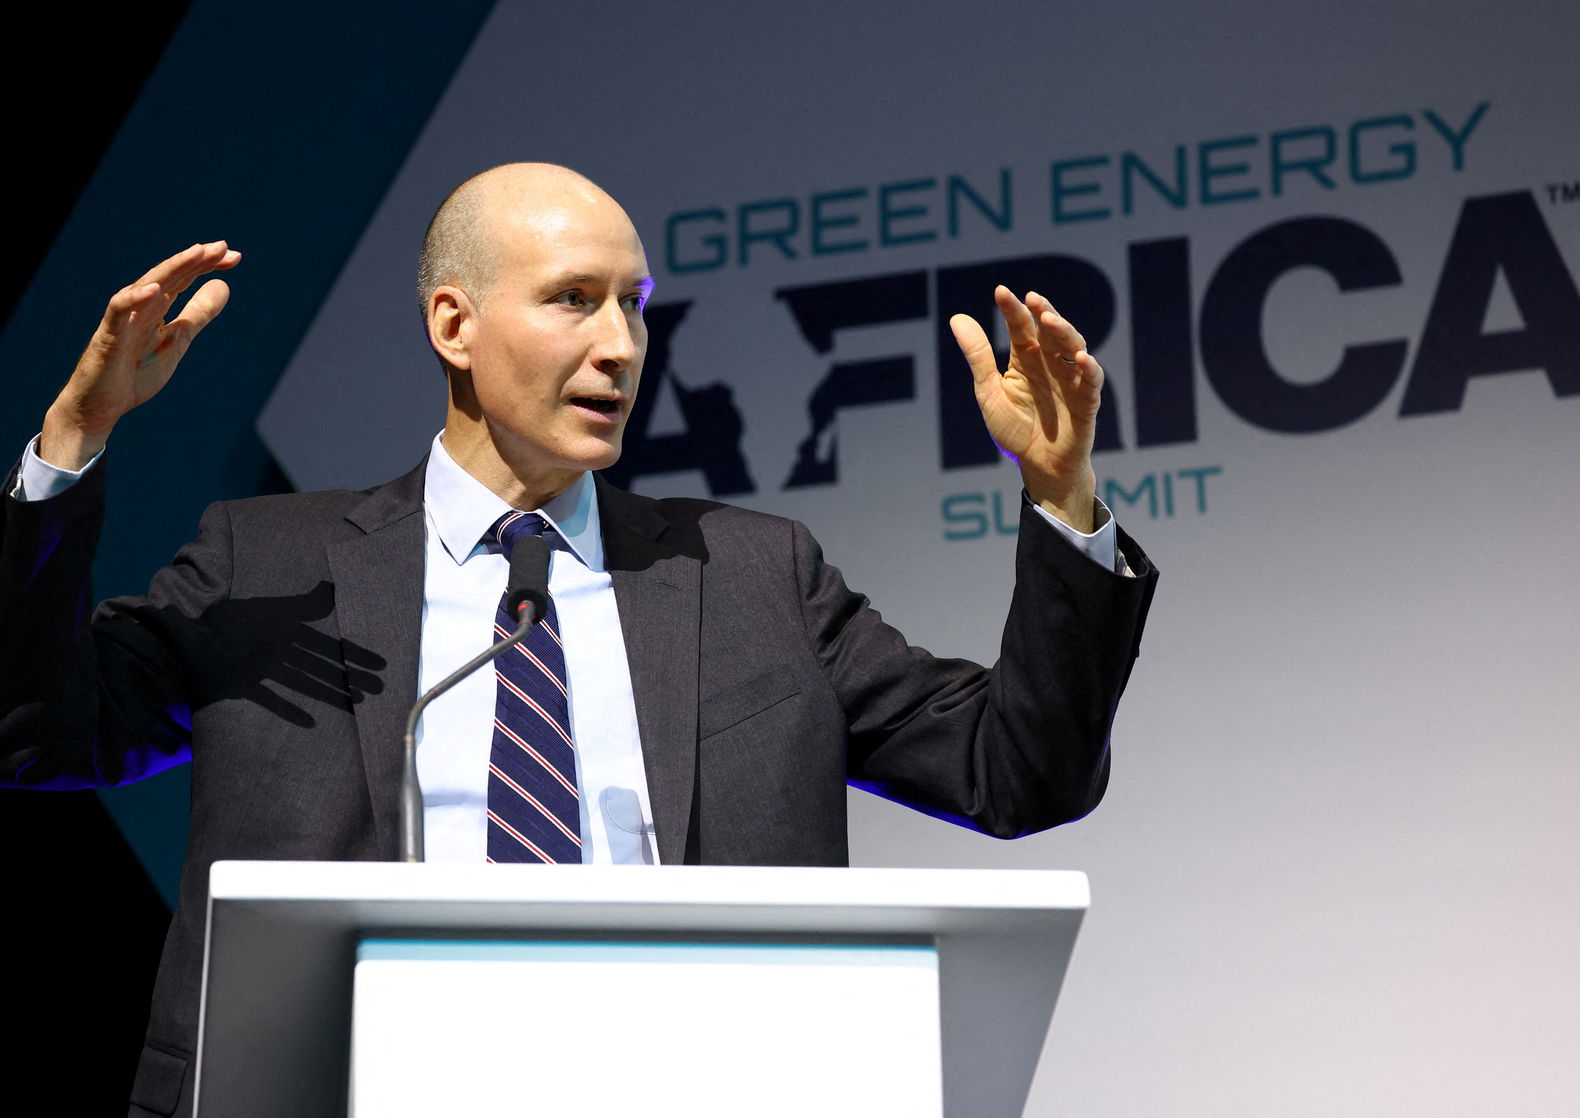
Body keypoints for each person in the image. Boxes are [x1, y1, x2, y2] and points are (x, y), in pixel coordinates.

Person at [2, 163, 1156, 1116]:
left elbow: (1019, 772)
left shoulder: (753, 571)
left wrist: (1062, 496)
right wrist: (73, 438)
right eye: (572, 299)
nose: (619, 344)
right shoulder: (273, 563)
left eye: (634, 304)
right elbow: (41, 736)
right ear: (453, 323)